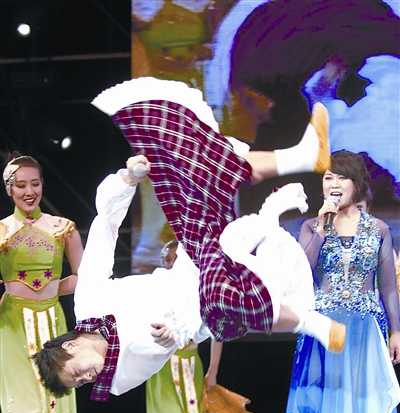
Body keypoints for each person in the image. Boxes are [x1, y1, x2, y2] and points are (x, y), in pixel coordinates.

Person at [91, 77, 345, 351]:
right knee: (222, 292)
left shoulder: (97, 305)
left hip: (199, 252)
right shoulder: (204, 295)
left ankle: (302, 156)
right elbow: (192, 332)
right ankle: (302, 156)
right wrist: (175, 336)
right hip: (205, 273)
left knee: (204, 164)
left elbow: (105, 222)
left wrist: (130, 176)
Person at [274, 150, 400, 413]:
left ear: (356, 184)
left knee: (364, 411)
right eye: (328, 177)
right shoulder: (311, 227)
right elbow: (300, 273)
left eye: (340, 177)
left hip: (365, 332)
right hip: (323, 333)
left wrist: (396, 330)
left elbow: (387, 287)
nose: (333, 183)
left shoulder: (378, 229)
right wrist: (322, 226)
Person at [32, 157, 212, 399]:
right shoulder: (118, 379)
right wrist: (171, 337)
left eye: (76, 373)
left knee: (212, 179)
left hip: (191, 265)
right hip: (212, 306)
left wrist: (128, 180)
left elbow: (104, 228)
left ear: (70, 346)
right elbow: (160, 347)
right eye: (80, 383)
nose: (85, 378)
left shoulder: (88, 304)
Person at [0, 154, 83, 413]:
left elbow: (85, 275)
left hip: (52, 322)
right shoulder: (2, 231)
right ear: (9, 189)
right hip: (12, 325)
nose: (29, 191)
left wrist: (51, 289)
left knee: (54, 403)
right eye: (21, 185)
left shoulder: (63, 228)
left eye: (34, 183)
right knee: (19, 406)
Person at [146, 240, 218, 413]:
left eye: (177, 259)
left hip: (192, 364)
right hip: (163, 368)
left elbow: (218, 329)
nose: (172, 263)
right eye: (168, 259)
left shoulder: (201, 288)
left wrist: (213, 371)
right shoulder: (157, 287)